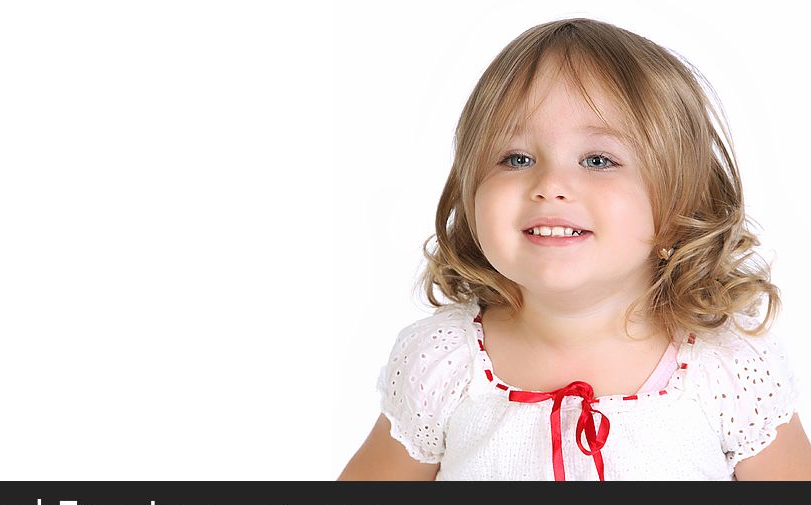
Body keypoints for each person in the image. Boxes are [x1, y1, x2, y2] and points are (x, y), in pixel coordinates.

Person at [337, 17, 811, 481]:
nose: (550, 185)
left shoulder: (727, 367)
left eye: (599, 160)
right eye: (516, 158)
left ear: (678, 207)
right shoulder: (443, 364)